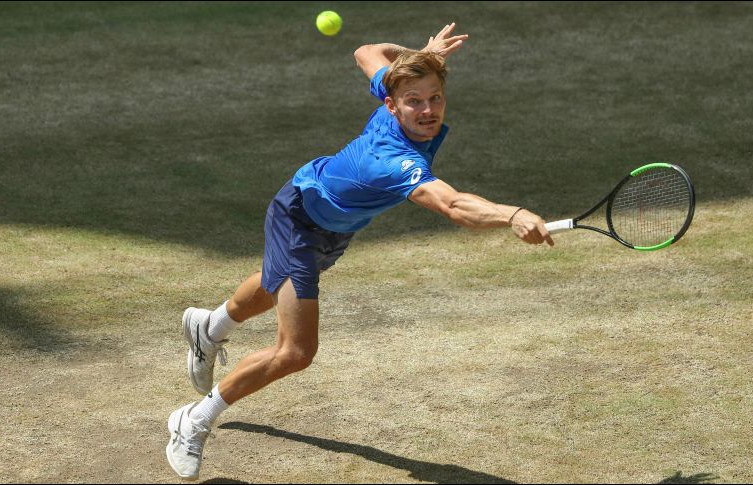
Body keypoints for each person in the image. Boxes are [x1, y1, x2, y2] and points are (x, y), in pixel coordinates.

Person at [166, 22, 554, 480]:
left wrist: (420, 56)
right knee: (296, 351)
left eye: (435, 98)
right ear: (392, 105)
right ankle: (192, 421)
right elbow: (452, 206)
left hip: (334, 227)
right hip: (299, 219)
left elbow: (366, 50)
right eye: (415, 101)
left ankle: (209, 327)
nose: (428, 110)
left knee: (276, 287)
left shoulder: (392, 92)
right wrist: (511, 214)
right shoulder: (396, 161)